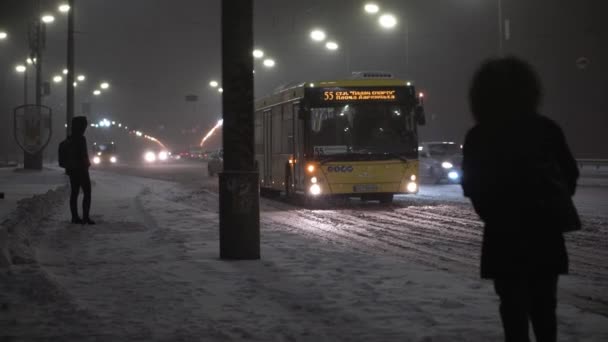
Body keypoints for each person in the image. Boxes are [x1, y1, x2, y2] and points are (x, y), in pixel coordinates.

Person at [461, 57, 579, 342]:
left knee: (512, 308)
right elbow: (569, 176)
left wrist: (495, 213)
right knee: (544, 307)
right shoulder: (547, 129)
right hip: (544, 233)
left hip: (503, 235)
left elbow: (473, 186)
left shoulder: (479, 135)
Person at [67, 116, 95, 225]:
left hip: (72, 170)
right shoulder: (81, 139)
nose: (85, 127)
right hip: (81, 170)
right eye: (84, 125)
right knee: (87, 192)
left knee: (74, 193)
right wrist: (87, 163)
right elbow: (83, 155)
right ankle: (85, 217)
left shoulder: (69, 138)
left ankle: (75, 217)